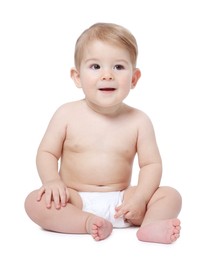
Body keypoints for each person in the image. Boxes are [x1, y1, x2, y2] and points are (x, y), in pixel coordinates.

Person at [24, 22, 182, 243]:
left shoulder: (139, 121)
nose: (107, 75)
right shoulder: (66, 114)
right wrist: (51, 181)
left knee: (170, 196)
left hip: (123, 202)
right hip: (74, 199)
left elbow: (151, 165)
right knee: (35, 202)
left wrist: (140, 198)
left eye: (118, 67)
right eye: (95, 67)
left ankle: (149, 227)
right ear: (77, 76)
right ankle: (87, 222)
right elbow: (47, 153)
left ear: (134, 78)